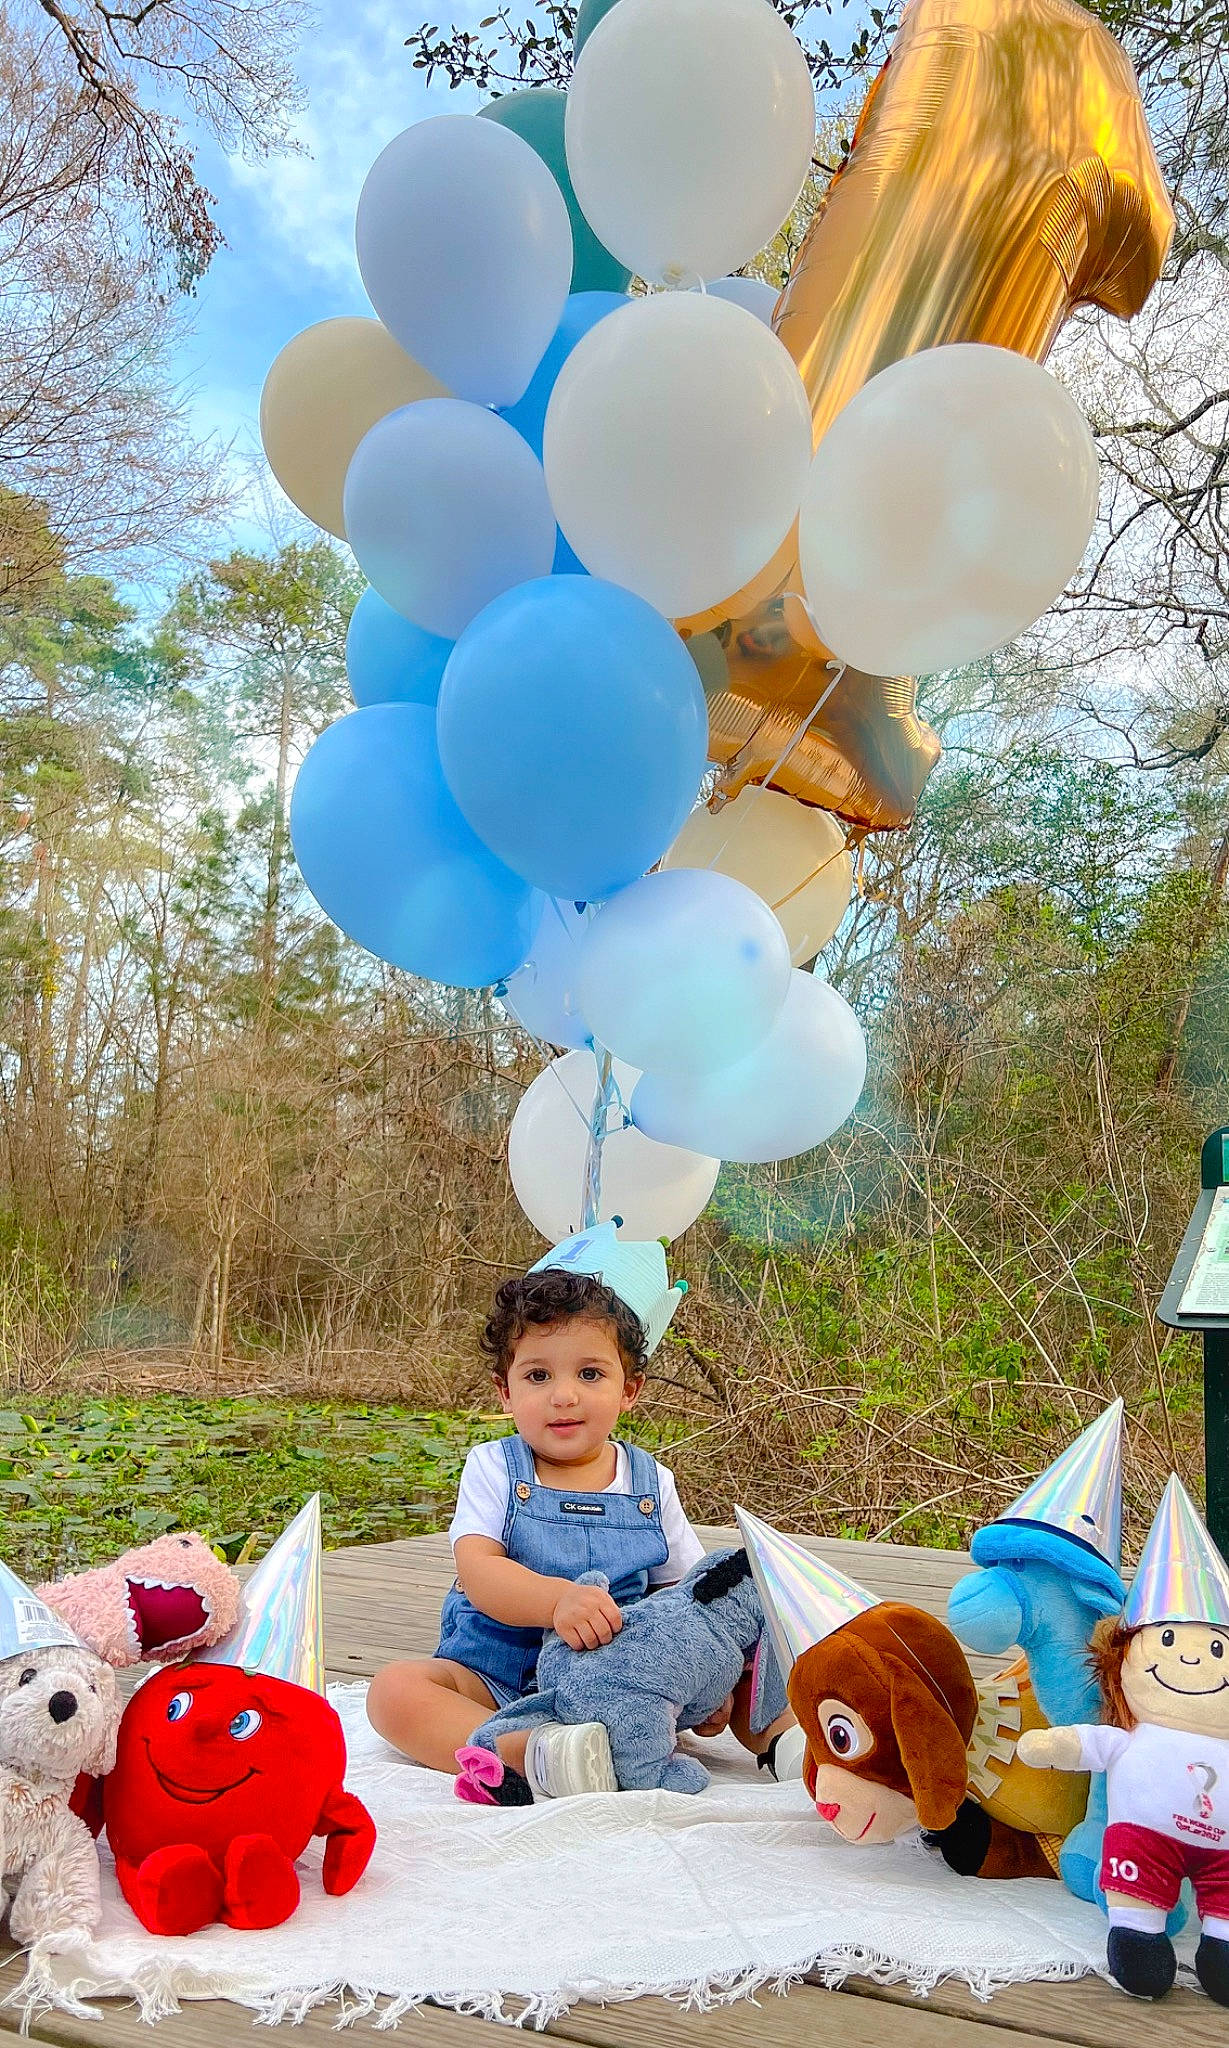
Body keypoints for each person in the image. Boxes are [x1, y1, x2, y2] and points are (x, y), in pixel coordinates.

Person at [367, 1224, 723, 1799]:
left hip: (615, 1682)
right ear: (505, 1392)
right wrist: (557, 1601)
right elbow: (480, 1574)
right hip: (496, 1675)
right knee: (394, 1690)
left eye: (589, 1373)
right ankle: (526, 1751)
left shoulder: (652, 1481)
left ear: (628, 1388)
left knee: (741, 1645)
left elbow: (682, 1594)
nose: (564, 1395)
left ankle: (781, 1740)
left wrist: (698, 1675)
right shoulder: (494, 1468)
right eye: (538, 1375)